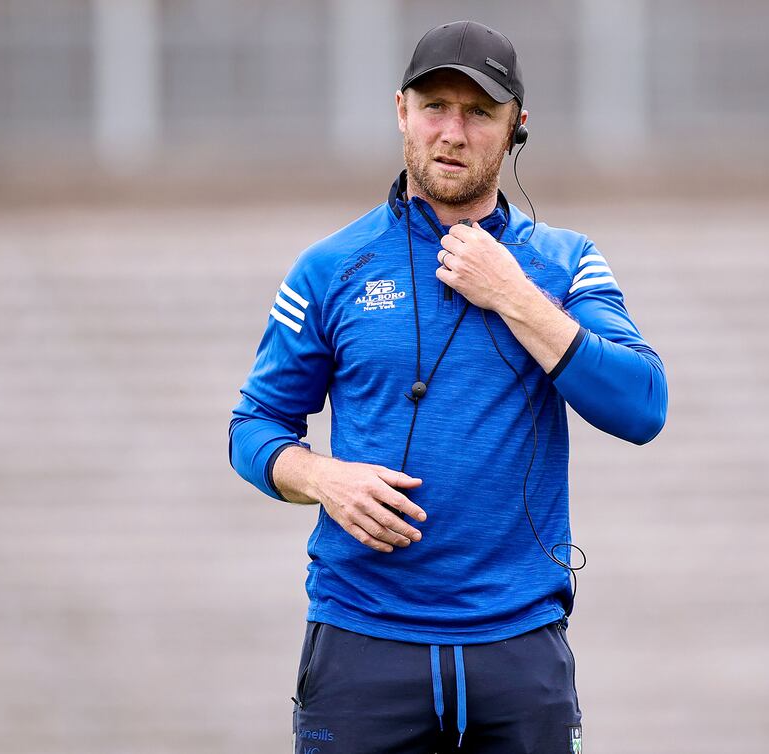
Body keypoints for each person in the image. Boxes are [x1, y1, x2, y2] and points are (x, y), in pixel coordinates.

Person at [229, 19, 667, 754]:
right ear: (400, 110)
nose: (453, 133)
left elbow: (642, 405)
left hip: (519, 648)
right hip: (363, 641)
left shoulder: (564, 263)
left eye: (479, 112)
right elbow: (253, 428)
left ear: (517, 127)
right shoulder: (329, 267)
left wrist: (515, 294)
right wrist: (324, 478)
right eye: (435, 106)